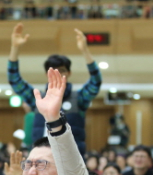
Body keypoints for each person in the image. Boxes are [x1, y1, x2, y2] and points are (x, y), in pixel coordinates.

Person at [8, 23, 102, 155]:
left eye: (62, 70)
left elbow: (95, 82)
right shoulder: (38, 99)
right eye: (53, 71)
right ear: (47, 74)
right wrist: (15, 48)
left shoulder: (79, 98)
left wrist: (85, 50)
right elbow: (14, 80)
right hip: (42, 159)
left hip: (72, 160)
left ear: (69, 73)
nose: (58, 74)